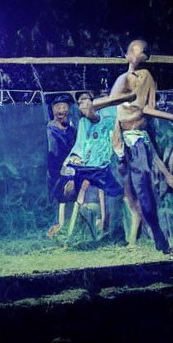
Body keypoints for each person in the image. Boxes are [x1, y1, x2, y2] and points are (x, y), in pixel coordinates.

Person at [108, 40, 173, 258]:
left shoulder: (146, 78)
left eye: (141, 51)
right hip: (120, 143)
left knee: (145, 192)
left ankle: (160, 242)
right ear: (127, 55)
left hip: (138, 140)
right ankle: (136, 239)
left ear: (145, 56)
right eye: (133, 50)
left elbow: (149, 109)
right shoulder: (123, 79)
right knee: (130, 197)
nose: (137, 54)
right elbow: (110, 104)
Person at [58, 91, 125, 242]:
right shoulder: (83, 123)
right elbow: (79, 146)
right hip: (84, 167)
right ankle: (71, 233)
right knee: (69, 191)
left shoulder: (108, 118)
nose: (82, 104)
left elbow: (114, 139)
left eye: (85, 100)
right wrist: (72, 163)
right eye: (79, 102)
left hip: (102, 167)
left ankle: (114, 234)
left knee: (115, 193)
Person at [45, 95, 77, 238]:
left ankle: (66, 227)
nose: (61, 110)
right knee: (56, 198)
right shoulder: (49, 130)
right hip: (53, 172)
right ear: (52, 110)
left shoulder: (72, 130)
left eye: (64, 107)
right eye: (58, 107)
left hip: (70, 170)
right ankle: (55, 227)